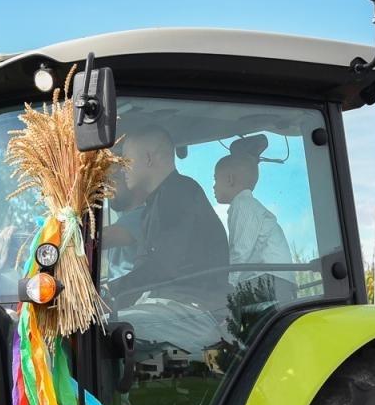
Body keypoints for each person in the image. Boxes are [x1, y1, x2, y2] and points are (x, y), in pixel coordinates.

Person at [103, 126, 229, 311]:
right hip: (174, 303)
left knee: (104, 331)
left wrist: (110, 293)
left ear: (148, 159)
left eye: (126, 161)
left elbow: (162, 268)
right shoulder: (160, 202)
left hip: (192, 309)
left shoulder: (179, 196)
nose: (123, 170)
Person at [212, 151, 294, 305]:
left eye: (216, 179)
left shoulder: (243, 205)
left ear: (230, 180)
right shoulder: (247, 205)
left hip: (268, 281)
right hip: (277, 281)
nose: (214, 186)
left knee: (220, 309)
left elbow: (241, 249)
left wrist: (229, 285)